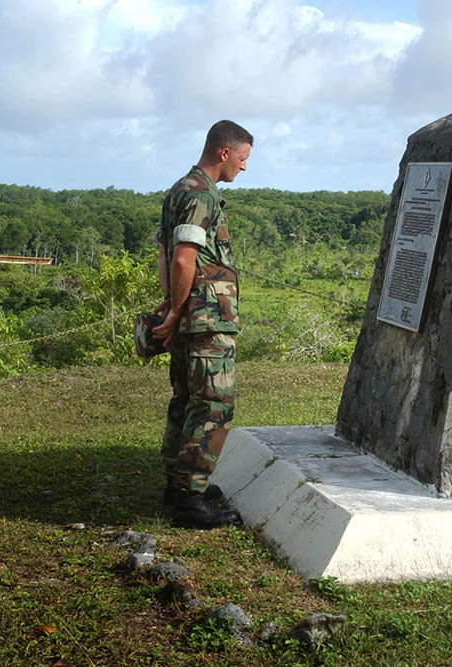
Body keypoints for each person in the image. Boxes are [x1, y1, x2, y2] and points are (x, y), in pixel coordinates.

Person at [153, 120, 252, 528]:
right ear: (223, 153)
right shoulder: (201, 196)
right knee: (213, 405)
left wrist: (171, 304)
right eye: (243, 159)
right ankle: (189, 500)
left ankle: (179, 485)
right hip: (205, 320)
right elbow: (182, 258)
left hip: (190, 317)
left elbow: (165, 253)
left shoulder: (179, 189)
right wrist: (177, 310)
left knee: (186, 401)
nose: (245, 168)